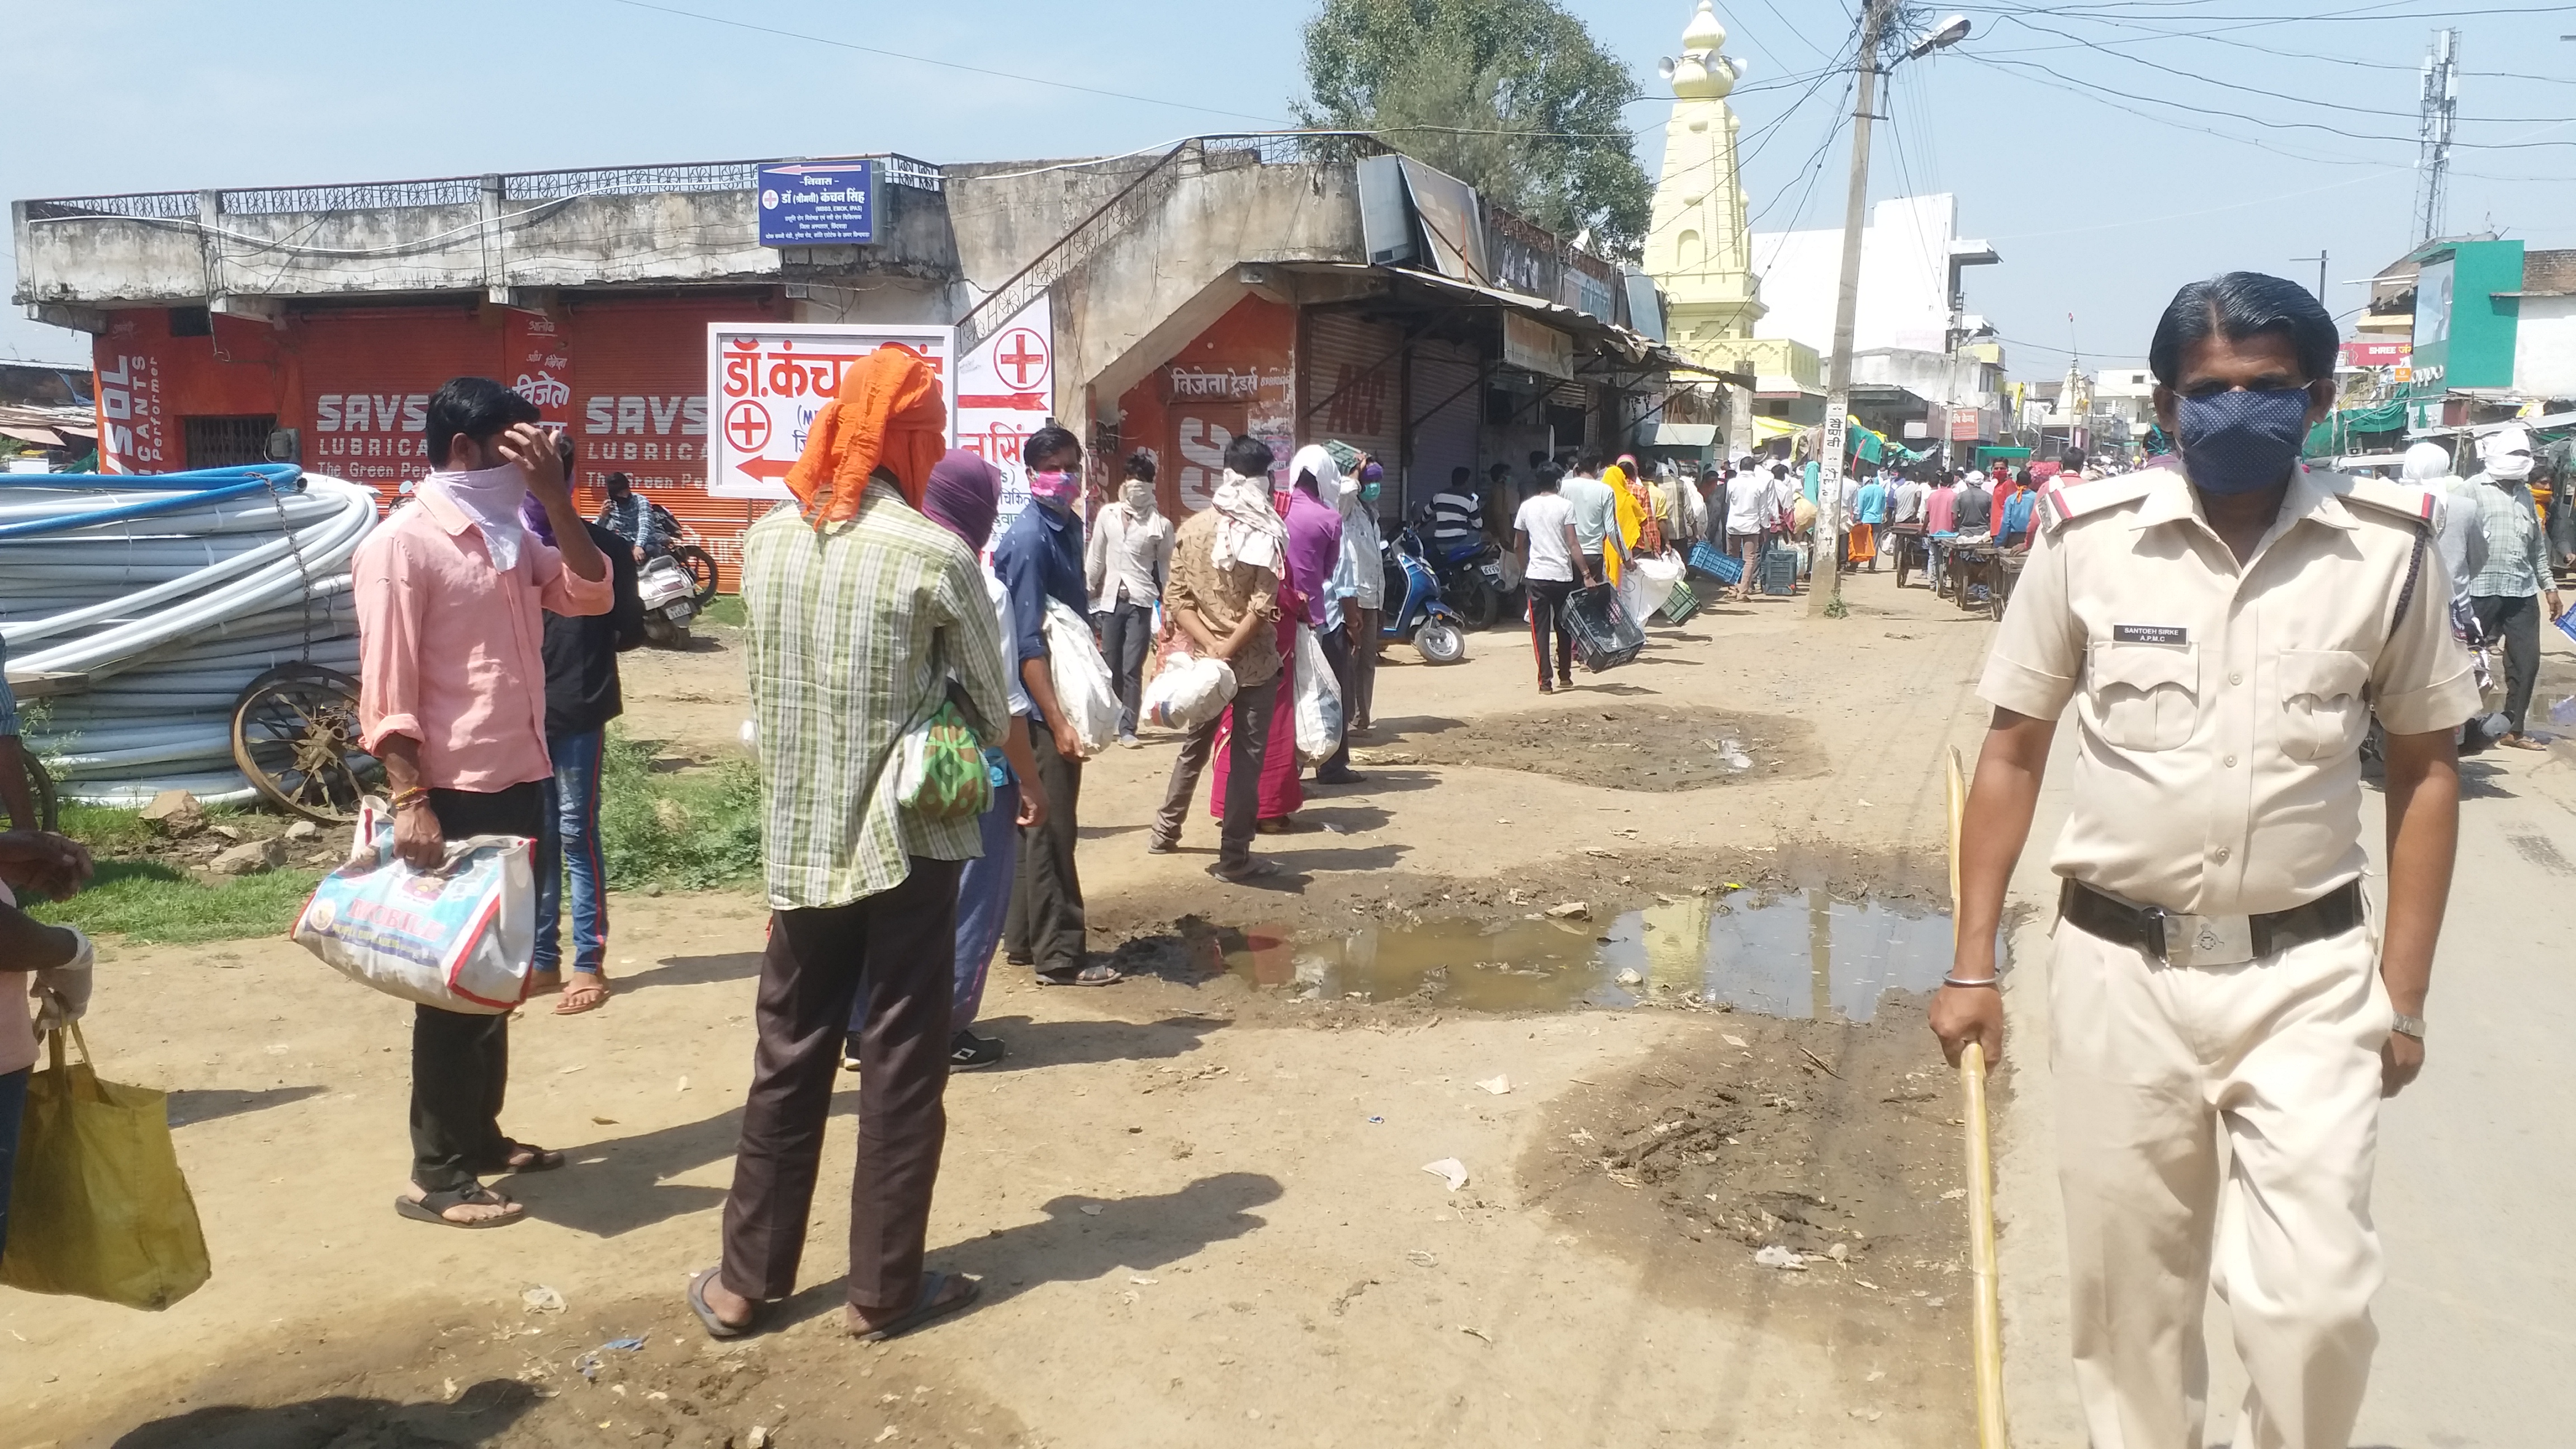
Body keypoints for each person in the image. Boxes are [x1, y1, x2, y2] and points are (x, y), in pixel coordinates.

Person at [1936, 272, 2473, 1449]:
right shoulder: (2087, 542)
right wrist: (1973, 967)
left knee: (2319, 1305)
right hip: (2118, 972)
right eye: (2211, 391)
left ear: (2319, 398)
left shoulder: (2386, 553)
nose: (2239, 413)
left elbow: (2429, 770)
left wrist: (2408, 997)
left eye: (2269, 390)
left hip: (2311, 977)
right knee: (2131, 1309)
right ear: (2169, 406)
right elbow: (2014, 753)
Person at [690, 349, 1008, 1345]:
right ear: (908, 439)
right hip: (911, 843)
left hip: (799, 843)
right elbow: (991, 714)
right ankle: (881, 1290)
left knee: (787, 1053)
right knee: (903, 1060)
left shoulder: (769, 542)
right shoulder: (934, 553)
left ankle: (746, 1284)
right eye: (935, 428)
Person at [355, 377, 612, 1229]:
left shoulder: (507, 535)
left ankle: (482, 1137)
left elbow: (591, 591)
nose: (526, 465)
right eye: (515, 451)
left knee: (495, 979)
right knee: (451, 987)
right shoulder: (404, 546)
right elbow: (387, 690)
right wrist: (410, 801)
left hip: (521, 777)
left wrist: (553, 498)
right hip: (452, 792)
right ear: (464, 451)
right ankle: (436, 1175)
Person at [844, 451, 1050, 1073]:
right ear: (981, 510)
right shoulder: (976, 581)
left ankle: (861, 1028)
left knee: (884, 897)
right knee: (968, 903)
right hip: (964, 770)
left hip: (881, 761)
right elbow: (1004, 703)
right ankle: (946, 1026)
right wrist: (1031, 782)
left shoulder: (877, 559)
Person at [526, 436, 647, 1015]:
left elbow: (627, 624)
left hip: (577, 708)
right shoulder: (508, 552)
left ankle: (586, 962)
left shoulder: (607, 549)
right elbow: (627, 630)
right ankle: (543, 959)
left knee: (574, 834)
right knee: (542, 836)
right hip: (525, 713)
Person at [995, 426, 1111, 987]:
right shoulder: (1028, 540)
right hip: (1040, 708)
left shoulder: (1068, 528)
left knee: (1037, 826)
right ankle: (1060, 955)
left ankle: (1022, 937)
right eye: (1052, 468)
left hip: (1060, 693)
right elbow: (1024, 644)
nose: (1064, 478)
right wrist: (1058, 721)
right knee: (1054, 828)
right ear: (1030, 474)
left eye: (1072, 467)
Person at [1149, 434, 1289, 879]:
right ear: (1261, 479)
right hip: (1252, 667)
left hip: (1204, 666)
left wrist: (1210, 648)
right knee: (1246, 761)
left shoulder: (1191, 529)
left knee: (1194, 748)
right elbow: (1264, 605)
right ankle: (1234, 856)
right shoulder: (1266, 531)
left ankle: (1165, 832)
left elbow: (1177, 600)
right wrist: (1227, 650)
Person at [2459, 425, 2561, 750]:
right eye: (2514, 454)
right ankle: (2457, 726)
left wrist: (2549, 585)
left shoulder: (2525, 495)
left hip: (2521, 590)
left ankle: (2513, 729)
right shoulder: (2470, 490)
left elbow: (2536, 547)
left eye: (2524, 455)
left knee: (2526, 661)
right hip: (2479, 590)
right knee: (2466, 661)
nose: (2520, 461)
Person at [1084, 451, 1172, 749]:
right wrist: (1087, 586)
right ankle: (1111, 718)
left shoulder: (1160, 525)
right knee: (1110, 662)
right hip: (1110, 600)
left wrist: (1170, 605)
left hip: (1141, 601)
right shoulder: (1107, 515)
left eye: (1143, 483)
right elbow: (1096, 556)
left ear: (1151, 486)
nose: (1137, 488)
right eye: (1133, 481)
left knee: (1133, 666)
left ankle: (1128, 727)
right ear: (1125, 483)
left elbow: (1165, 568)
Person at [1514, 462, 1585, 691]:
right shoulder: (1566, 506)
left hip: (1536, 577)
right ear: (1558, 483)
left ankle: (1545, 682)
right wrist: (1585, 572)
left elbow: (1518, 545)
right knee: (1564, 626)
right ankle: (1565, 675)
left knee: (1540, 631)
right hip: (1562, 576)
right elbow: (1573, 543)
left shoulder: (1526, 507)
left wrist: (1524, 569)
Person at [1333, 459, 1386, 737]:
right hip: (1352, 597)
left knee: (1366, 662)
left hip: (1372, 597)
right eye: (1370, 481)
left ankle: (1363, 717)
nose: (1375, 487)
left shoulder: (1372, 514)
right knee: (1350, 662)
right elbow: (1343, 494)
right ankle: (1349, 718)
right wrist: (1354, 472)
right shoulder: (1346, 509)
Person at [1560, 453, 1621, 584]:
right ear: (1598, 466)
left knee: (1568, 601)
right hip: (1593, 555)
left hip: (1567, 554)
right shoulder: (1605, 491)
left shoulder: (1563, 487)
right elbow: (1612, 530)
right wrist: (1625, 558)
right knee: (1590, 600)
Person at [595, 472, 673, 565]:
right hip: (625, 546)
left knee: (648, 550)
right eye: (620, 493)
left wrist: (639, 546)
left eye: (625, 491)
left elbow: (644, 525)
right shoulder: (611, 506)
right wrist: (602, 516)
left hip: (646, 544)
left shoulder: (640, 501)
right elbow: (596, 531)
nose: (624, 496)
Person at [1724, 462, 1769, 602]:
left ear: (1740, 468)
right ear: (1753, 468)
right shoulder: (1760, 485)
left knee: (1732, 557)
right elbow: (1763, 510)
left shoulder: (1731, 483)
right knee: (1749, 559)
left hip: (1733, 524)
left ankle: (1732, 590)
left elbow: (1728, 501)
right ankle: (1743, 593)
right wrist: (1765, 528)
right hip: (1752, 526)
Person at [1429, 466, 1485, 559]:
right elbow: (1478, 525)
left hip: (1440, 544)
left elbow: (1427, 512)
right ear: (1466, 482)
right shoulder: (1470, 500)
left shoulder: (1438, 496)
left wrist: (1422, 522)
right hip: (1459, 542)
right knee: (1486, 536)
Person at [1923, 470, 1961, 592]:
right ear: (1951, 483)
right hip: (1949, 533)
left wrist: (1923, 529)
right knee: (1949, 557)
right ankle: (1944, 581)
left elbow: (1927, 516)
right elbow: (1955, 517)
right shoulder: (1954, 496)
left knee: (1933, 557)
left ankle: (1932, 583)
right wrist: (1959, 528)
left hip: (1934, 532)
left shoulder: (1932, 496)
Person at [1850, 466, 1888, 572]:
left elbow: (1860, 507)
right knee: (1875, 544)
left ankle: (1855, 565)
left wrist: (1858, 519)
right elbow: (1883, 506)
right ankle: (1872, 566)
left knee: (1861, 542)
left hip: (1864, 520)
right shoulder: (1881, 490)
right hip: (1877, 520)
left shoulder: (1862, 491)